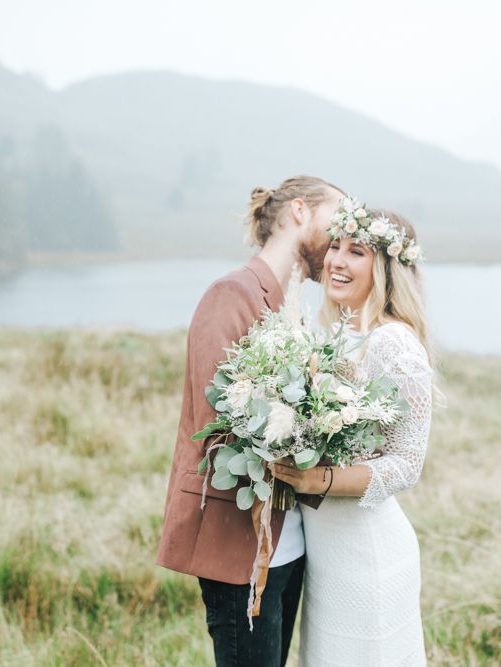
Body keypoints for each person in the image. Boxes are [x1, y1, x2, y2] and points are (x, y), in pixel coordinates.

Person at [156, 175, 344, 667]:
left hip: (290, 544)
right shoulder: (231, 293)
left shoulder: (292, 306)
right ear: (300, 211)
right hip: (238, 546)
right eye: (336, 219)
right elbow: (217, 419)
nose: (343, 238)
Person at [271, 208, 433, 666]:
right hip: (328, 557)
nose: (336, 261)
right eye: (335, 247)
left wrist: (316, 480)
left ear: (385, 268)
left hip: (368, 555)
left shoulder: (393, 343)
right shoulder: (339, 337)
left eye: (356, 252)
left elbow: (406, 462)